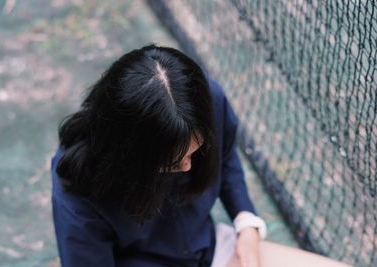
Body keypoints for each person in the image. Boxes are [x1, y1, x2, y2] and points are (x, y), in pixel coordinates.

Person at [50, 44, 264, 267]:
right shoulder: (78, 183)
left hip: (206, 248)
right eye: (171, 162)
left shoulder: (209, 100)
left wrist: (246, 222)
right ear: (128, 150)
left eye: (196, 150)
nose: (187, 166)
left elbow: (226, 157)